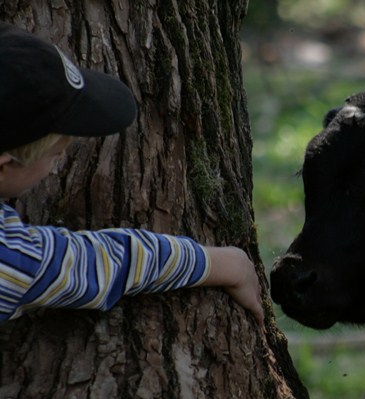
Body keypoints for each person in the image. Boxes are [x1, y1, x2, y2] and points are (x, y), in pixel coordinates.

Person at [0, 21, 264, 322]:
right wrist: (220, 264)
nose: (58, 165)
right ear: (4, 166)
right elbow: (91, 264)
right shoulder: (9, 262)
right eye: (55, 154)